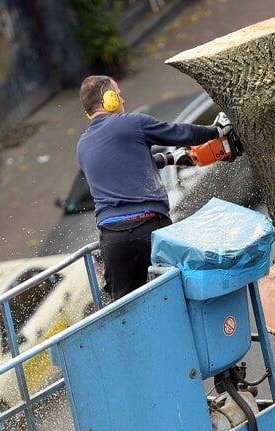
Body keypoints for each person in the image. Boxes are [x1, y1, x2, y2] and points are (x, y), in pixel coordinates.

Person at [76, 75, 232, 300]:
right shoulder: (132, 122)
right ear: (108, 99)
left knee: (126, 310)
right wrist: (216, 131)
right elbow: (180, 132)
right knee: (178, 295)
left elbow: (123, 166)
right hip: (151, 229)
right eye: (118, 95)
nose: (123, 100)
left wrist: (167, 159)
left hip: (113, 241)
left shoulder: (83, 145)